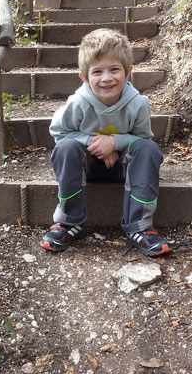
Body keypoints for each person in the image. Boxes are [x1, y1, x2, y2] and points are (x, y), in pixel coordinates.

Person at [40, 28, 170, 256]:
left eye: (114, 70)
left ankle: (139, 226)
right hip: (85, 168)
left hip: (123, 169)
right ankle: (69, 221)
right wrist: (95, 143)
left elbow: (142, 139)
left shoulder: (138, 104)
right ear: (84, 77)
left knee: (149, 149)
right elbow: (59, 131)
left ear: (128, 72)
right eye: (97, 71)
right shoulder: (78, 103)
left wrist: (115, 143)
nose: (107, 78)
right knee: (66, 147)